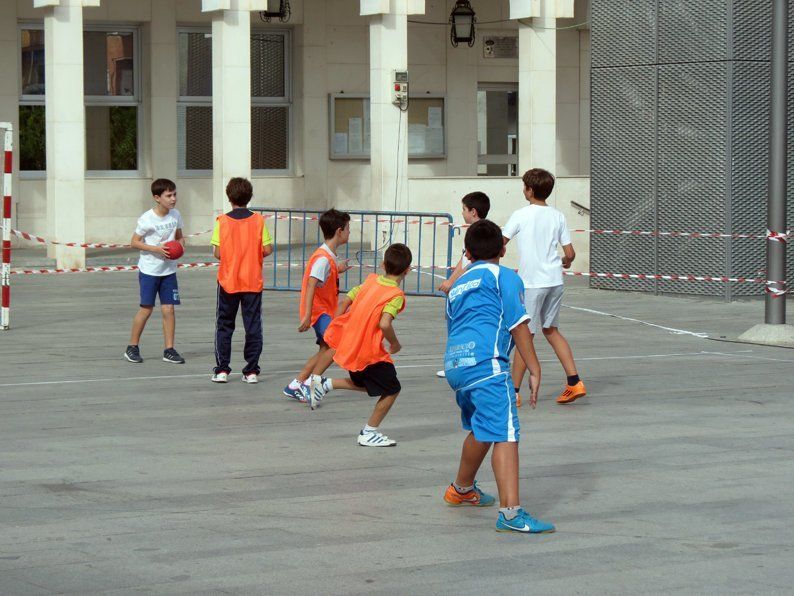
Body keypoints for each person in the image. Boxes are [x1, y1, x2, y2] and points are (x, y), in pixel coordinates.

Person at [443, 219, 554, 534]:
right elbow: (518, 325)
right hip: (486, 365)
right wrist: (534, 368)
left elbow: (453, 327)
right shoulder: (505, 277)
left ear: (467, 252)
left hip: (456, 365)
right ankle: (511, 514)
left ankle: (461, 489)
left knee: (482, 427)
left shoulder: (457, 285)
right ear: (504, 248)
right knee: (506, 433)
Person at [303, 244, 412, 448]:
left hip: (351, 346)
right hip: (368, 352)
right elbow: (385, 322)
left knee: (368, 384)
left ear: (382, 265)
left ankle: (326, 384)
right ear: (408, 270)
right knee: (392, 389)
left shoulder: (370, 282)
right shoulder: (395, 295)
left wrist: (339, 326)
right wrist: (395, 343)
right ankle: (369, 432)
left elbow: (345, 301)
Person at [502, 168, 586, 405]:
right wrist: (566, 262)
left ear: (529, 190)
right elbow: (569, 253)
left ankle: (514, 391)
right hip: (554, 281)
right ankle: (574, 381)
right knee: (551, 330)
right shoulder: (557, 215)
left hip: (532, 284)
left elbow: (501, 243)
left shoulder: (520, 214)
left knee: (523, 336)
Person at [283, 208, 352, 401]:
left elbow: (321, 278)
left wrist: (337, 269)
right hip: (320, 312)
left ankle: (296, 384)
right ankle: (311, 382)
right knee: (335, 345)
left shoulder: (328, 256)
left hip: (323, 311)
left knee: (324, 349)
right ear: (339, 231)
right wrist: (306, 316)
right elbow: (312, 282)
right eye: (348, 228)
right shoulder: (323, 258)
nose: (349, 232)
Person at [210, 177, 273, 384]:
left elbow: (217, 253)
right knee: (253, 326)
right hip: (252, 281)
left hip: (228, 281)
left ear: (229, 197)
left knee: (224, 325)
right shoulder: (258, 220)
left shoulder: (222, 221)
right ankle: (251, 371)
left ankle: (222, 369)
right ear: (250, 196)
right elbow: (267, 249)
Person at [124, 178, 186, 365]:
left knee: (169, 309)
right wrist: (156, 249)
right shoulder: (147, 219)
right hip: (150, 270)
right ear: (157, 198)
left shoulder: (175, 215)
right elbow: (134, 242)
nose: (173, 198)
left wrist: (179, 249)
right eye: (169, 195)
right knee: (146, 309)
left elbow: (180, 238)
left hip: (168, 270)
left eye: (174, 194)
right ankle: (132, 347)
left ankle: (169, 349)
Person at [437, 191, 491, 378]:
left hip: (469, 287)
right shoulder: (489, 230)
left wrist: (451, 282)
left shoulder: (474, 233)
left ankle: (455, 363)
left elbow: (466, 261)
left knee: (457, 324)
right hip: (483, 286)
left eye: (464, 209)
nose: (462, 213)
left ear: (473, 212)